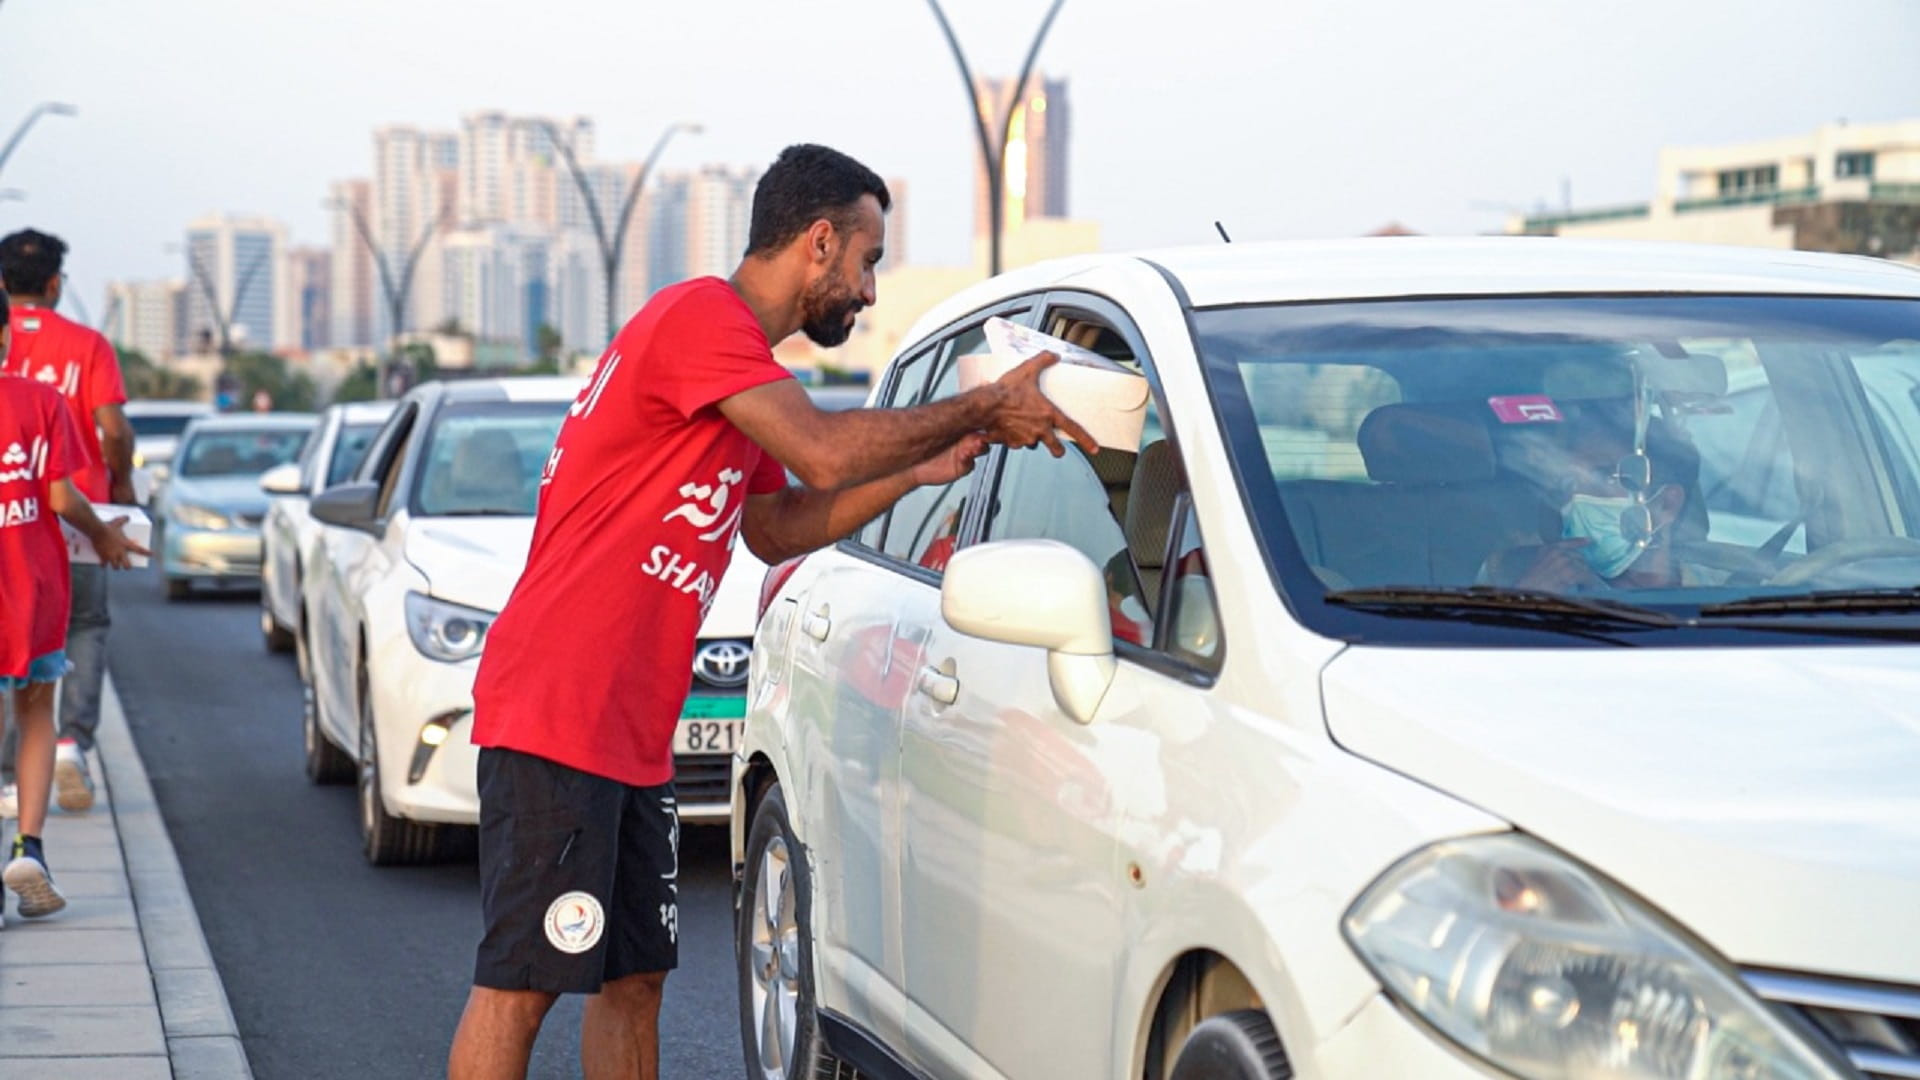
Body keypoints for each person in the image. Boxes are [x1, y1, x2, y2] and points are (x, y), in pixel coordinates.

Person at [447, 144, 1093, 1080]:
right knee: (522, 985)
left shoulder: (736, 368)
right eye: (867, 260)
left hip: (630, 731)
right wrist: (984, 406)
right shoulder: (701, 319)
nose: (868, 290)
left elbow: (775, 525)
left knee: (633, 981)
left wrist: (916, 473)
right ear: (819, 242)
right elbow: (823, 449)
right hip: (559, 712)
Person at [0, 288, 146, 926]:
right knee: (36, 713)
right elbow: (61, 498)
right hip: (30, 586)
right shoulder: (41, 401)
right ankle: (28, 849)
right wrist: (106, 534)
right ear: (4, 336)